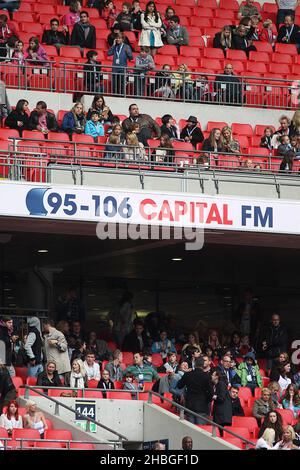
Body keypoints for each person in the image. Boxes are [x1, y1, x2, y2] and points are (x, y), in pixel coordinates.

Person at [177, 357, 213, 425]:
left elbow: (179, 385)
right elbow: (211, 392)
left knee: (191, 429)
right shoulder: (207, 376)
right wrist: (206, 400)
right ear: (202, 365)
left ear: (195, 364)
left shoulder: (187, 374)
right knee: (201, 430)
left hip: (190, 405)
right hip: (202, 406)